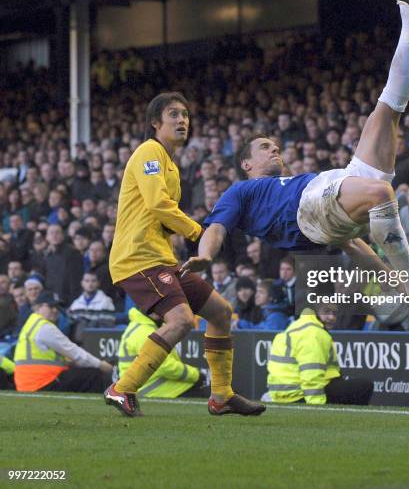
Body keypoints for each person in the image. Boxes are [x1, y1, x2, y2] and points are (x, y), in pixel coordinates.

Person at [184, 0, 409, 332]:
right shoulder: (241, 191)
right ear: (246, 164)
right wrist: (204, 257)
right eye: (265, 147)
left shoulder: (290, 180)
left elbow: (351, 243)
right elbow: (216, 228)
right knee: (381, 191)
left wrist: (387, 277)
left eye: (275, 145)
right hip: (309, 211)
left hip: (330, 191)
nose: (275, 150)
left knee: (388, 107)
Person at [104, 92, 265, 417]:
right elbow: (157, 205)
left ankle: (221, 395)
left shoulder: (169, 163)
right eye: (174, 115)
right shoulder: (149, 151)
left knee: (220, 312)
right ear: (155, 123)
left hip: (160, 257)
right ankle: (122, 388)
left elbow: (158, 214)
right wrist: (197, 232)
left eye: (185, 115)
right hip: (137, 258)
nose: (182, 121)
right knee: (181, 320)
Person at [266, 302, 373, 405]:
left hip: (283, 395)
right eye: (326, 311)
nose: (331, 317)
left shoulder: (300, 325)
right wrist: (317, 406)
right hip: (299, 395)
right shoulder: (314, 333)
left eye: (335, 313)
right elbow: (311, 373)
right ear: (315, 310)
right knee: (364, 386)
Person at [14, 291, 112, 393]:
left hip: (26, 384)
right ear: (38, 307)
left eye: (57, 307)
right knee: (93, 374)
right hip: (42, 382)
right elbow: (75, 352)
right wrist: (101, 365)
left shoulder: (32, 323)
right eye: (51, 306)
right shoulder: (45, 327)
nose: (55, 310)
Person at [117, 307, 203, 398]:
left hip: (155, 387)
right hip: (156, 391)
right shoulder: (145, 332)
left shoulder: (143, 327)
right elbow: (164, 366)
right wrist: (196, 375)